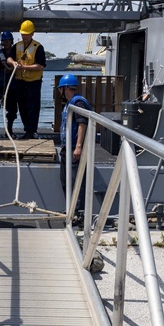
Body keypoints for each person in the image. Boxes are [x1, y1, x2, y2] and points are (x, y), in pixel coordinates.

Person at [6, 19, 46, 139]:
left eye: (27, 34)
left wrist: (24, 67)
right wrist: (13, 63)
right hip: (20, 81)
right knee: (22, 106)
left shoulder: (38, 47)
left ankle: (31, 130)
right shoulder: (17, 46)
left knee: (33, 107)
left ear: (32, 34)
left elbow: (40, 65)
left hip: (34, 82)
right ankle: (27, 129)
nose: (25, 36)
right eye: (23, 34)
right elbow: (9, 58)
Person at [58, 74, 90, 220]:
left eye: (60, 89)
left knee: (75, 181)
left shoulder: (78, 103)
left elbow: (82, 124)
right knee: (65, 180)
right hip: (67, 148)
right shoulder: (69, 104)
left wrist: (78, 147)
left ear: (65, 88)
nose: (59, 92)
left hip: (74, 149)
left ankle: (77, 213)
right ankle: (70, 209)